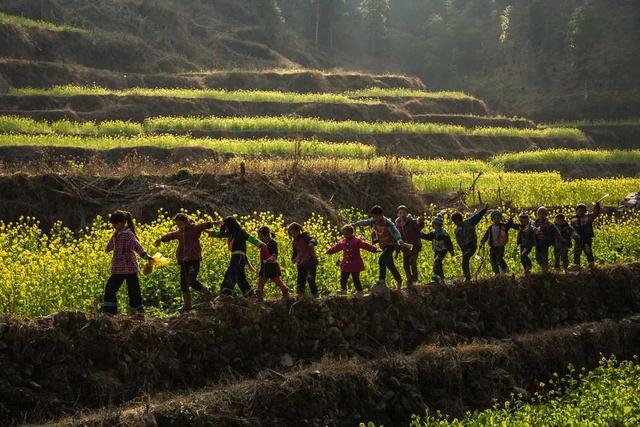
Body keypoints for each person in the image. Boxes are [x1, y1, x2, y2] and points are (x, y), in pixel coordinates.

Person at [154, 213, 215, 311]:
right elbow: (170, 235)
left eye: (179, 224)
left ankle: (207, 292)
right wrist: (160, 239)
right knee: (183, 283)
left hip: (194, 259)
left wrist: (215, 223)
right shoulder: (179, 232)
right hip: (183, 260)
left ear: (185, 222)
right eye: (177, 225)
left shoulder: (194, 228)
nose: (178, 226)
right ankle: (187, 305)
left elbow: (204, 225)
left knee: (191, 280)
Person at [103, 210, 151, 316]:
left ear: (121, 223)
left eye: (115, 224)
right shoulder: (116, 234)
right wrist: (107, 248)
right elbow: (109, 246)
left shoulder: (128, 234)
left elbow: (136, 245)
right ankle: (110, 313)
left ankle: (138, 313)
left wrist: (144, 255)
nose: (113, 226)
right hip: (118, 268)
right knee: (110, 289)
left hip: (129, 268)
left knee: (134, 291)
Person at [353, 205, 407, 290]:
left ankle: (381, 279)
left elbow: (395, 231)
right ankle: (399, 280)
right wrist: (356, 224)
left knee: (381, 259)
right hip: (383, 245)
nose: (375, 218)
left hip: (391, 244)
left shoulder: (387, 222)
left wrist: (399, 239)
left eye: (376, 216)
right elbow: (365, 222)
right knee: (390, 264)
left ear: (381, 215)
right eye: (373, 216)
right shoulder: (373, 221)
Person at [210, 216, 264, 297]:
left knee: (231, 273)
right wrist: (208, 232)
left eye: (226, 225)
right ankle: (250, 294)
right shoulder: (231, 233)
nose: (226, 227)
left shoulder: (240, 232)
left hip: (238, 256)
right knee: (240, 277)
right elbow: (221, 234)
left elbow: (250, 238)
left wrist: (260, 244)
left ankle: (226, 293)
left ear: (230, 225)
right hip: (238, 256)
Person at [326, 224, 380, 296]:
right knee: (343, 277)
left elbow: (365, 245)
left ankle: (360, 291)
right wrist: (329, 251)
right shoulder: (342, 242)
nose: (345, 235)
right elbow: (336, 248)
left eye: (346, 234)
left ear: (351, 233)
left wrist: (375, 249)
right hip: (346, 263)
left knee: (356, 278)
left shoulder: (357, 241)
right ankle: (343, 289)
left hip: (355, 263)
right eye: (344, 234)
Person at [451, 204, 488, 282]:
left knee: (465, 259)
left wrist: (484, 210)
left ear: (460, 219)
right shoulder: (456, 230)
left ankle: (468, 278)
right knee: (465, 261)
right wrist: (462, 249)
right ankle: (467, 277)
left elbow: (477, 216)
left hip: (472, 245)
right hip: (464, 248)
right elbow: (459, 241)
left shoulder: (469, 222)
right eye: (454, 222)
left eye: (456, 221)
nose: (455, 223)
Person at [255, 226, 289, 302]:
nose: (260, 238)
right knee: (261, 280)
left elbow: (274, 255)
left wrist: (268, 260)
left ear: (266, 235)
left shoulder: (272, 243)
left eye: (261, 236)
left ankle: (285, 293)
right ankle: (259, 298)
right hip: (264, 266)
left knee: (277, 280)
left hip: (272, 266)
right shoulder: (263, 244)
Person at [395, 205, 425, 286]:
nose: (402, 214)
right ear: (398, 214)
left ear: (407, 213)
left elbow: (419, 227)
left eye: (404, 213)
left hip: (414, 246)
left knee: (413, 261)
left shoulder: (412, 222)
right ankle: (409, 280)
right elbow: (397, 239)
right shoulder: (397, 226)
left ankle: (415, 279)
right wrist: (397, 251)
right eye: (400, 213)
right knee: (405, 265)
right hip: (405, 248)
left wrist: (421, 221)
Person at [287, 222, 319, 297]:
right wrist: (294, 259)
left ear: (298, 231)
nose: (292, 235)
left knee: (311, 279)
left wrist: (311, 243)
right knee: (300, 280)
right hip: (301, 263)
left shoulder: (305, 237)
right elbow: (295, 252)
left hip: (310, 262)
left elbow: (314, 239)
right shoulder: (294, 241)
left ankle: (315, 295)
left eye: (293, 232)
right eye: (290, 233)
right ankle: (300, 295)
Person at [420, 216, 455, 282]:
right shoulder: (433, 233)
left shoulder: (444, 234)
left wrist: (451, 251)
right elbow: (427, 237)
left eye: (434, 224)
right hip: (437, 251)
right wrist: (420, 234)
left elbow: (449, 243)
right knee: (439, 263)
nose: (432, 225)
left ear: (439, 225)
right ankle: (441, 277)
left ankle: (437, 276)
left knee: (436, 262)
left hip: (443, 251)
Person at [480, 210, 515, 275]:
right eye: (495, 218)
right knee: (492, 260)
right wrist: (482, 241)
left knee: (499, 259)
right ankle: (497, 273)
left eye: (498, 218)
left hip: (500, 246)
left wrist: (510, 220)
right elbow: (486, 235)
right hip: (493, 246)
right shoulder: (490, 227)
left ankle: (505, 269)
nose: (497, 219)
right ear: (492, 219)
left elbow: (509, 225)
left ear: (500, 218)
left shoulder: (503, 226)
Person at [571, 201, 601, 269]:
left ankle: (591, 264)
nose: (581, 212)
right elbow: (572, 229)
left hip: (587, 238)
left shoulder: (588, 217)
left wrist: (597, 206)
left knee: (588, 251)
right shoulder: (573, 218)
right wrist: (574, 235)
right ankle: (576, 265)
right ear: (576, 211)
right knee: (577, 252)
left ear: (585, 211)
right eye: (579, 210)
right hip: (578, 239)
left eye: (582, 210)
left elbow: (595, 214)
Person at [533, 207, 561, 272]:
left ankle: (545, 270)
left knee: (544, 257)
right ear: (537, 214)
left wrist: (560, 240)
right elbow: (530, 229)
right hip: (537, 242)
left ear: (546, 215)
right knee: (537, 257)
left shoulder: (549, 224)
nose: (541, 215)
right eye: (540, 213)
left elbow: (556, 232)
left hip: (545, 242)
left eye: (543, 214)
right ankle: (544, 268)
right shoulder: (535, 223)